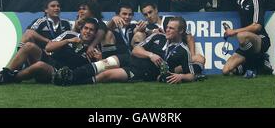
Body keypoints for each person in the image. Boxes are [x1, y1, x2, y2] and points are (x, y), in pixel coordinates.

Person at [55, 16, 196, 85]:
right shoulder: (158, 36)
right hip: (130, 58)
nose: (167, 30)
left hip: (143, 71)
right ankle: (69, 75)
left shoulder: (184, 51)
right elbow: (135, 49)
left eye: (172, 28)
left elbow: (191, 74)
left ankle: (73, 82)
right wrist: (150, 54)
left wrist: (181, 77)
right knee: (103, 64)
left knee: (107, 75)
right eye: (168, 27)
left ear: (181, 31)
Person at [0, 18, 100, 84]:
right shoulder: (69, 34)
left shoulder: (94, 49)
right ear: (81, 29)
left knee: (40, 65)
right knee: (29, 45)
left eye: (91, 30)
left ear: (95, 33)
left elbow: (94, 68)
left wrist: (99, 59)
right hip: (51, 59)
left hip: (60, 72)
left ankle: (8, 78)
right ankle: (5, 72)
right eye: (86, 28)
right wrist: (68, 41)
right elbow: (48, 48)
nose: (88, 32)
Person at [210, 0, 273, 77]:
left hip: (260, 39)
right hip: (246, 42)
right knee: (226, 71)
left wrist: (234, 31)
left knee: (241, 36)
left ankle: (254, 66)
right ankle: (259, 63)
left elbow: (257, 26)